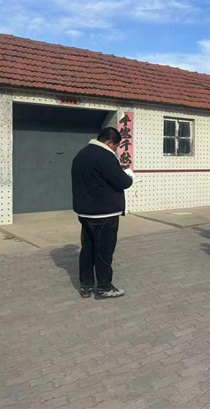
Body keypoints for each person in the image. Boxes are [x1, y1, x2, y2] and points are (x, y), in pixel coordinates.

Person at [71, 127, 134, 299]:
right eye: (116, 146)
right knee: (104, 251)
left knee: (87, 249)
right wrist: (129, 178)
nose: (115, 150)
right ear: (109, 142)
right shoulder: (105, 156)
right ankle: (104, 287)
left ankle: (86, 286)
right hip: (104, 213)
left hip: (85, 213)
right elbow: (122, 182)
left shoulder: (81, 154)